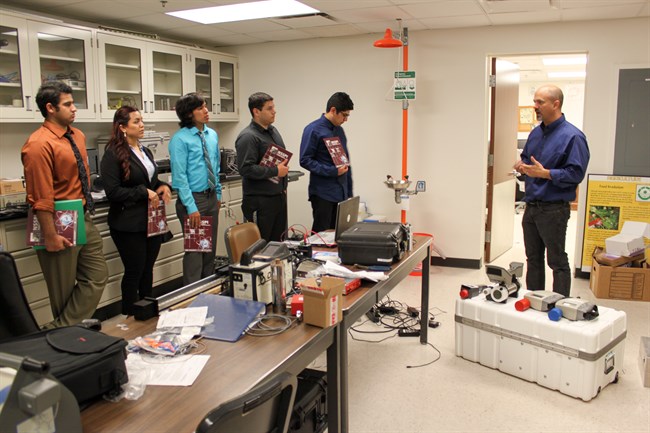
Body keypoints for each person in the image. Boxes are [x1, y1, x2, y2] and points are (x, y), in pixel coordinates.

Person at [21, 81, 108, 328]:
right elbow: (41, 195)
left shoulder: (77, 136)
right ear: (50, 108)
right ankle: (68, 340)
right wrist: (49, 235)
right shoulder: (38, 144)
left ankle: (57, 331)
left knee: (97, 276)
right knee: (62, 289)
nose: (74, 108)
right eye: (67, 104)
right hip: (56, 218)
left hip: (82, 213)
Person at [514, 84, 590, 297]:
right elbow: (528, 159)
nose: (535, 106)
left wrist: (546, 174)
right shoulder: (536, 134)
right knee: (533, 259)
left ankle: (561, 305)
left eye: (540, 102)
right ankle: (535, 302)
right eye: (535, 101)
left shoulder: (573, 137)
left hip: (553, 209)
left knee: (556, 261)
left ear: (556, 104)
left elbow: (575, 174)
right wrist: (522, 164)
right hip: (532, 207)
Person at [100, 106, 172, 315]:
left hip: (150, 220)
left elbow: (152, 180)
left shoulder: (144, 151)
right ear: (122, 127)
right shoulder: (112, 154)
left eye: (142, 121)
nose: (142, 125)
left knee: (148, 269)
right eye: (136, 122)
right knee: (135, 271)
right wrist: (143, 192)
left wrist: (163, 186)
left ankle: (147, 312)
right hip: (128, 224)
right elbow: (113, 192)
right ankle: (130, 317)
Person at [169, 93, 221, 285]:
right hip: (193, 199)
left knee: (210, 250)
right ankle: (191, 296)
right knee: (195, 251)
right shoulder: (180, 140)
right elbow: (180, 177)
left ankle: (209, 291)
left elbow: (215, 166)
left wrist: (218, 193)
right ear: (188, 114)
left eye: (205, 106)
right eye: (200, 108)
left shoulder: (212, 134)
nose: (206, 111)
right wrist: (191, 207)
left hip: (210, 196)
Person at [235, 92, 290, 242]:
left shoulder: (273, 131)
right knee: (260, 247)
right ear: (256, 111)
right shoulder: (248, 136)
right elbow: (246, 169)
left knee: (278, 244)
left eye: (274, 107)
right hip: (260, 202)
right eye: (269, 108)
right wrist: (275, 171)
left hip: (277, 197)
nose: (274, 111)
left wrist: (282, 182)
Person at [299, 92, 354, 233]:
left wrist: (349, 194)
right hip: (323, 193)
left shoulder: (339, 131)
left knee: (338, 235)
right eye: (344, 115)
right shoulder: (313, 129)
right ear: (333, 110)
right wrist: (332, 171)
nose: (346, 119)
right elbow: (305, 160)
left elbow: (345, 162)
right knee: (321, 237)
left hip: (341, 192)